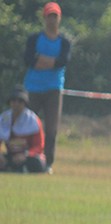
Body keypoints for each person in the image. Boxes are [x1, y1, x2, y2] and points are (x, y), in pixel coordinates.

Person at [23, 2, 70, 170]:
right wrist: (50, 62)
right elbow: (29, 60)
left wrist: (41, 60)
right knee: (28, 125)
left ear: (59, 18)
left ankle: (48, 162)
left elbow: (62, 62)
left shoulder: (64, 42)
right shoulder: (34, 39)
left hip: (53, 88)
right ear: (44, 18)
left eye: (55, 16)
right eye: (49, 16)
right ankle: (25, 159)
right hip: (33, 87)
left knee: (51, 127)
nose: (52, 20)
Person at [0, 86, 47, 173]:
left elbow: (39, 146)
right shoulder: (3, 119)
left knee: (37, 163)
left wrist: (25, 155)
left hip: (28, 156)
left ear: (25, 103)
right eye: (14, 100)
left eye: (20, 101)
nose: (16, 104)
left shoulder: (33, 120)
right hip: (11, 156)